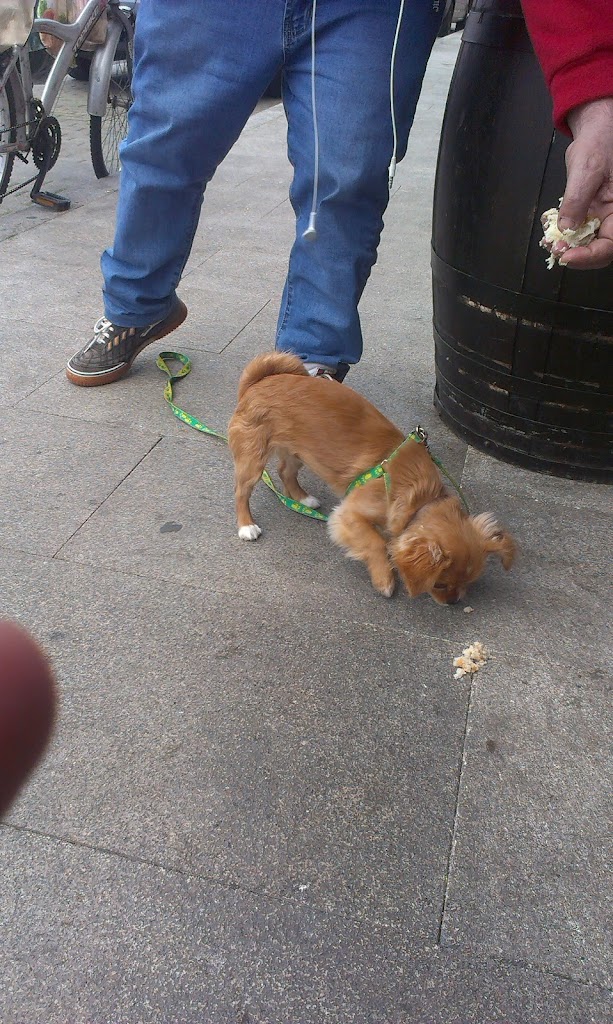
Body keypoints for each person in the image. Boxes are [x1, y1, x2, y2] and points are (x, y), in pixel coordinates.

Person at [65, 0, 613, 389]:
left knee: (347, 177)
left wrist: (593, 82)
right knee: (162, 149)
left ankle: (310, 360)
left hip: (372, 10)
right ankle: (136, 306)